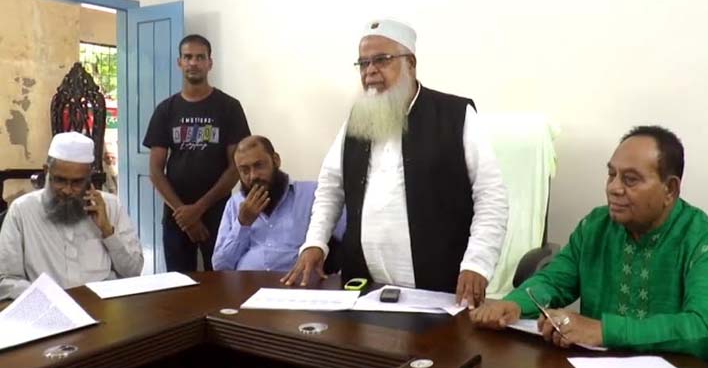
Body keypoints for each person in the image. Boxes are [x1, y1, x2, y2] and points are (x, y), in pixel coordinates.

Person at [470, 126, 708, 368]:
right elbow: (555, 281)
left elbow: (707, 329)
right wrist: (514, 304)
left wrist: (604, 331)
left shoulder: (706, 242)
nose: (614, 188)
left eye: (630, 179)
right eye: (611, 174)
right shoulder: (596, 226)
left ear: (670, 189)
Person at [282, 19, 509, 308]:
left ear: (410, 64)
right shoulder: (358, 118)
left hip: (439, 291)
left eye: (381, 60)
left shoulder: (455, 115)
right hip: (365, 290)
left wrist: (477, 263)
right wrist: (315, 243)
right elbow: (330, 187)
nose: (370, 71)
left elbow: (491, 196)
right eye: (363, 63)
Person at [143, 34, 251, 272]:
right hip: (176, 216)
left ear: (210, 63)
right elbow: (155, 170)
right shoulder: (165, 110)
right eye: (188, 57)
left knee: (221, 279)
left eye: (200, 57)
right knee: (179, 283)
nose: (193, 63)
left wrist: (198, 209)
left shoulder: (229, 107)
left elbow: (236, 167)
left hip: (219, 213)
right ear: (179, 62)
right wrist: (184, 214)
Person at [0, 132, 143, 300]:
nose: (67, 190)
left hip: (103, 306)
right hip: (47, 305)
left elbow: (133, 272)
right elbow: (6, 280)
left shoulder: (111, 206)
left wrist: (107, 230)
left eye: (77, 182)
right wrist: (47, 296)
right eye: (60, 180)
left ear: (89, 177)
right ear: (47, 171)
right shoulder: (22, 210)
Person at [212, 135, 345, 271]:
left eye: (259, 166)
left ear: (276, 160)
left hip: (297, 281)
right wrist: (242, 224)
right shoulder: (235, 204)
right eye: (245, 170)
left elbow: (350, 237)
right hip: (247, 282)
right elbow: (220, 266)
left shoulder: (313, 194)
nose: (253, 176)